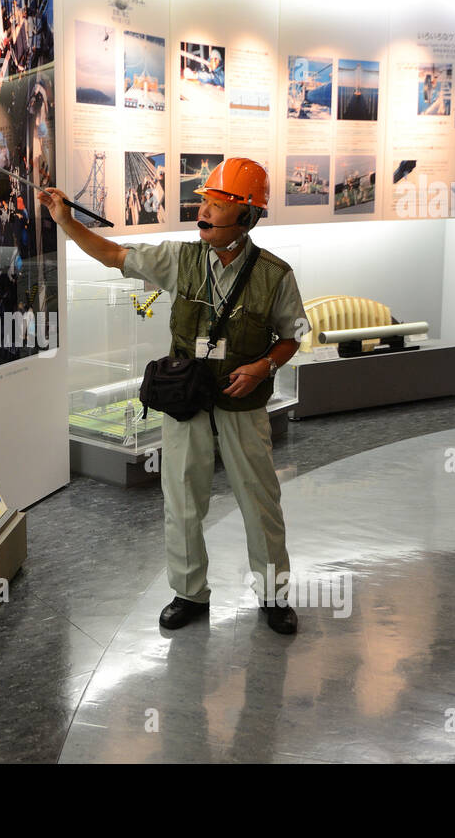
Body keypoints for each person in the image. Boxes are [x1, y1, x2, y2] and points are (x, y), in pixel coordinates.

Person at [38, 158, 305, 635]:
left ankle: (273, 595)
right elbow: (113, 256)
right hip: (186, 401)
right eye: (203, 200)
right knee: (181, 498)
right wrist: (67, 221)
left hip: (243, 405)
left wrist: (265, 365)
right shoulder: (178, 260)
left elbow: (294, 334)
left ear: (246, 217)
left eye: (215, 204)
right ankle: (188, 593)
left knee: (260, 500)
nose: (201, 211)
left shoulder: (275, 275)